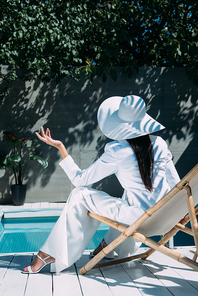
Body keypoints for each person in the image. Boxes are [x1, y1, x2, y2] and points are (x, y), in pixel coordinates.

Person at [23, 95, 180, 274]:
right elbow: (176, 184)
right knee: (129, 195)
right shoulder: (159, 143)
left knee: (79, 194)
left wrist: (61, 148)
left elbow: (80, 180)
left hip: (139, 219)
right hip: (165, 219)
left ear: (119, 124)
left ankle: (49, 254)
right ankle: (108, 245)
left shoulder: (117, 151)